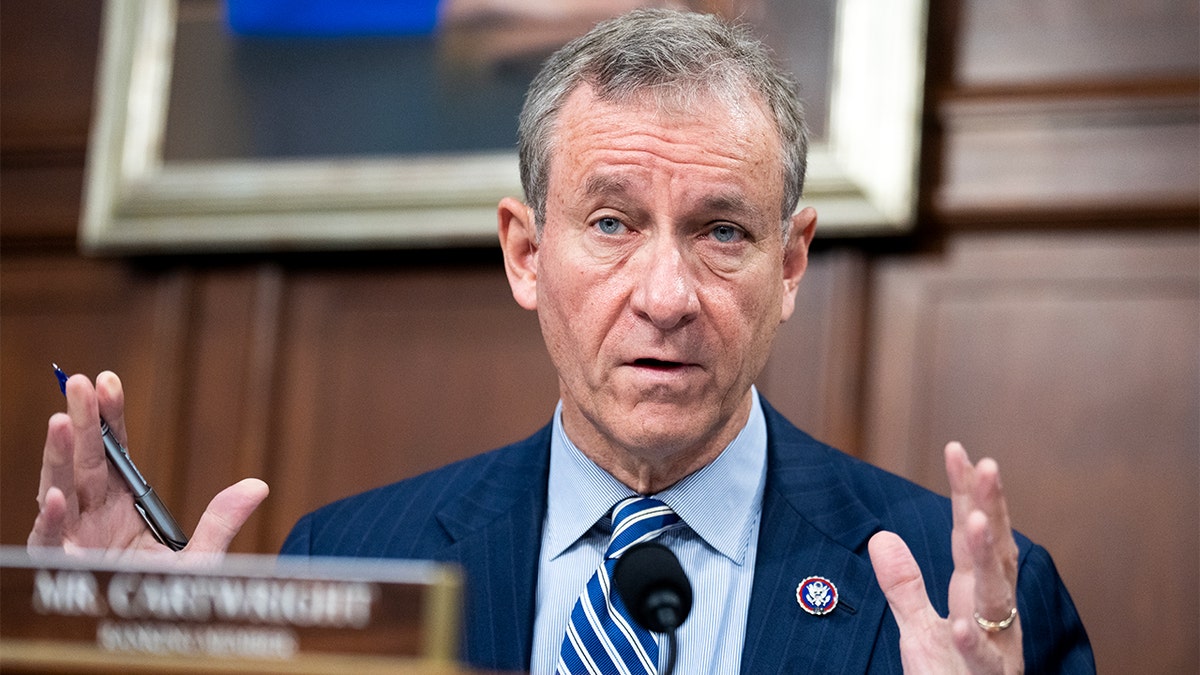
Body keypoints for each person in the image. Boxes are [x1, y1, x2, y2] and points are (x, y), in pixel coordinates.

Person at [30, 8, 1093, 674]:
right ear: (527, 254)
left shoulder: (976, 612)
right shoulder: (350, 564)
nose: (666, 294)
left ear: (789, 265)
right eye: (613, 223)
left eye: (722, 231)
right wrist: (117, 656)